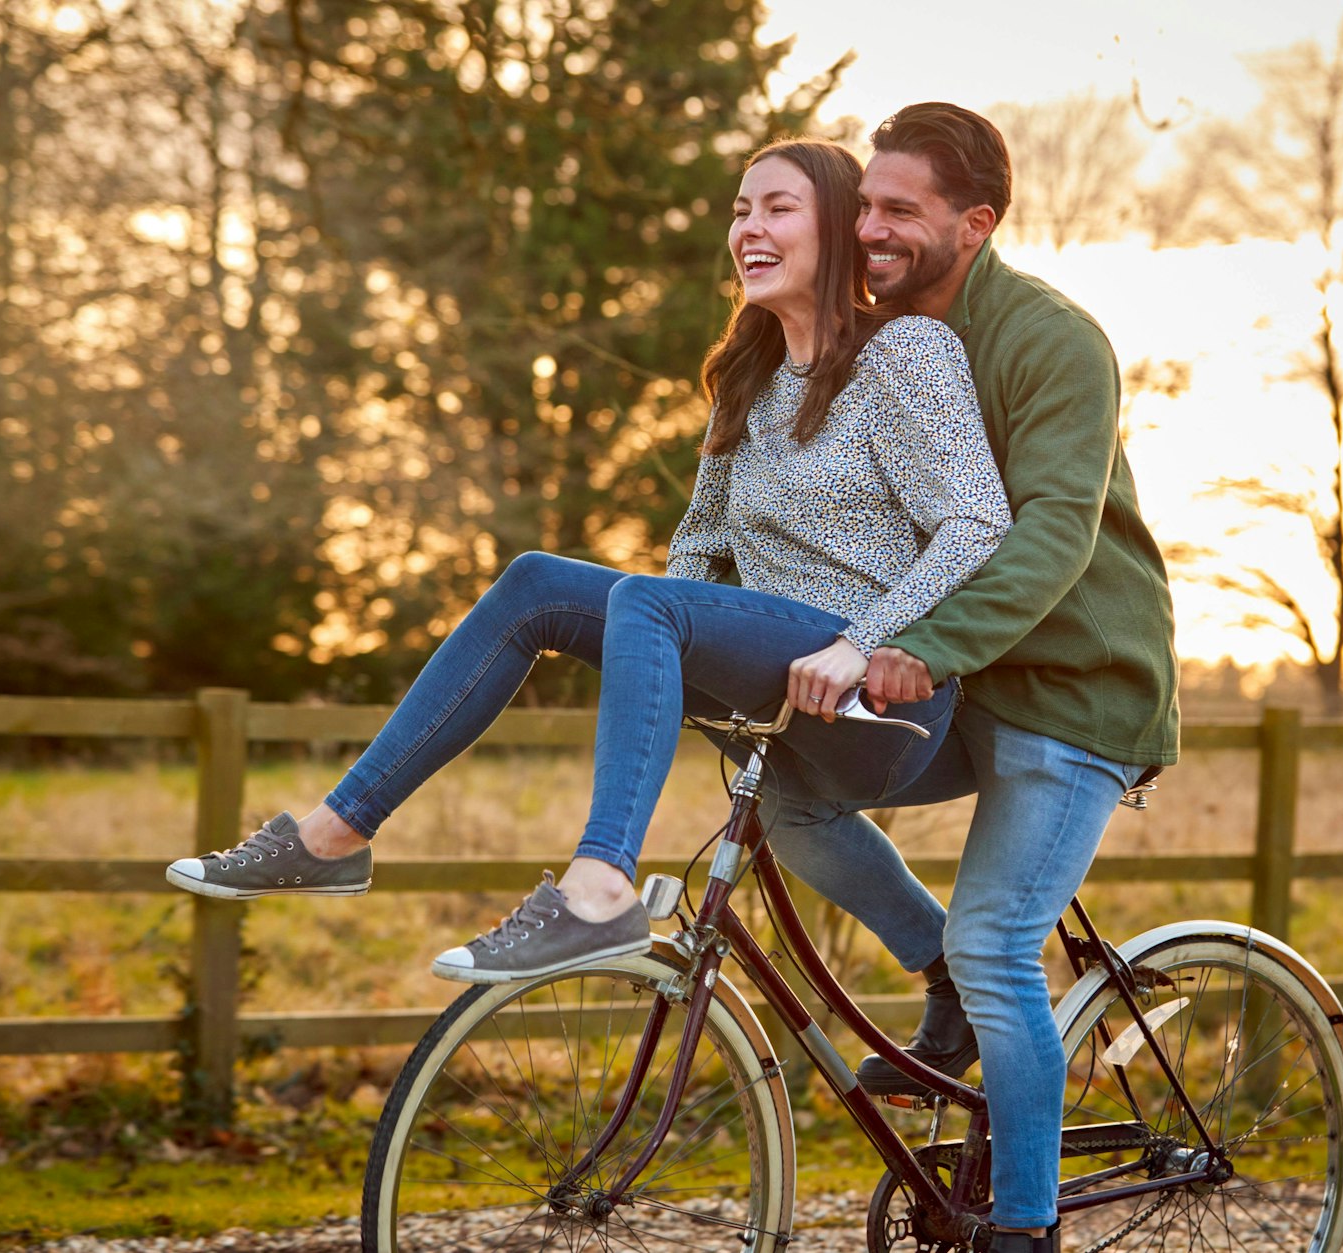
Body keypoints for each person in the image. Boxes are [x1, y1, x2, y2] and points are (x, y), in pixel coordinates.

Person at [164, 137, 1012, 987]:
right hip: (776, 678)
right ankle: (335, 834)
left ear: (838, 229)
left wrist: (860, 642)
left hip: (882, 697)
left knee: (651, 603)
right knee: (538, 582)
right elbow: (700, 542)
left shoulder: (904, 354)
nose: (749, 227)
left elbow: (978, 524)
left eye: (778, 208)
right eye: (740, 210)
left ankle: (602, 887)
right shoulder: (749, 376)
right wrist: (671, 657)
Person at [756, 105, 1180, 1253]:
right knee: (792, 800)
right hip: (952, 682)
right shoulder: (870, 336)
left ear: (974, 223)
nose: (872, 229)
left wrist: (927, 643)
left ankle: (1024, 1228)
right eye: (866, 206)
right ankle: (933, 964)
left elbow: (1050, 530)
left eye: (900, 211)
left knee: (1003, 943)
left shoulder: (1050, 340)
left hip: (1071, 685)